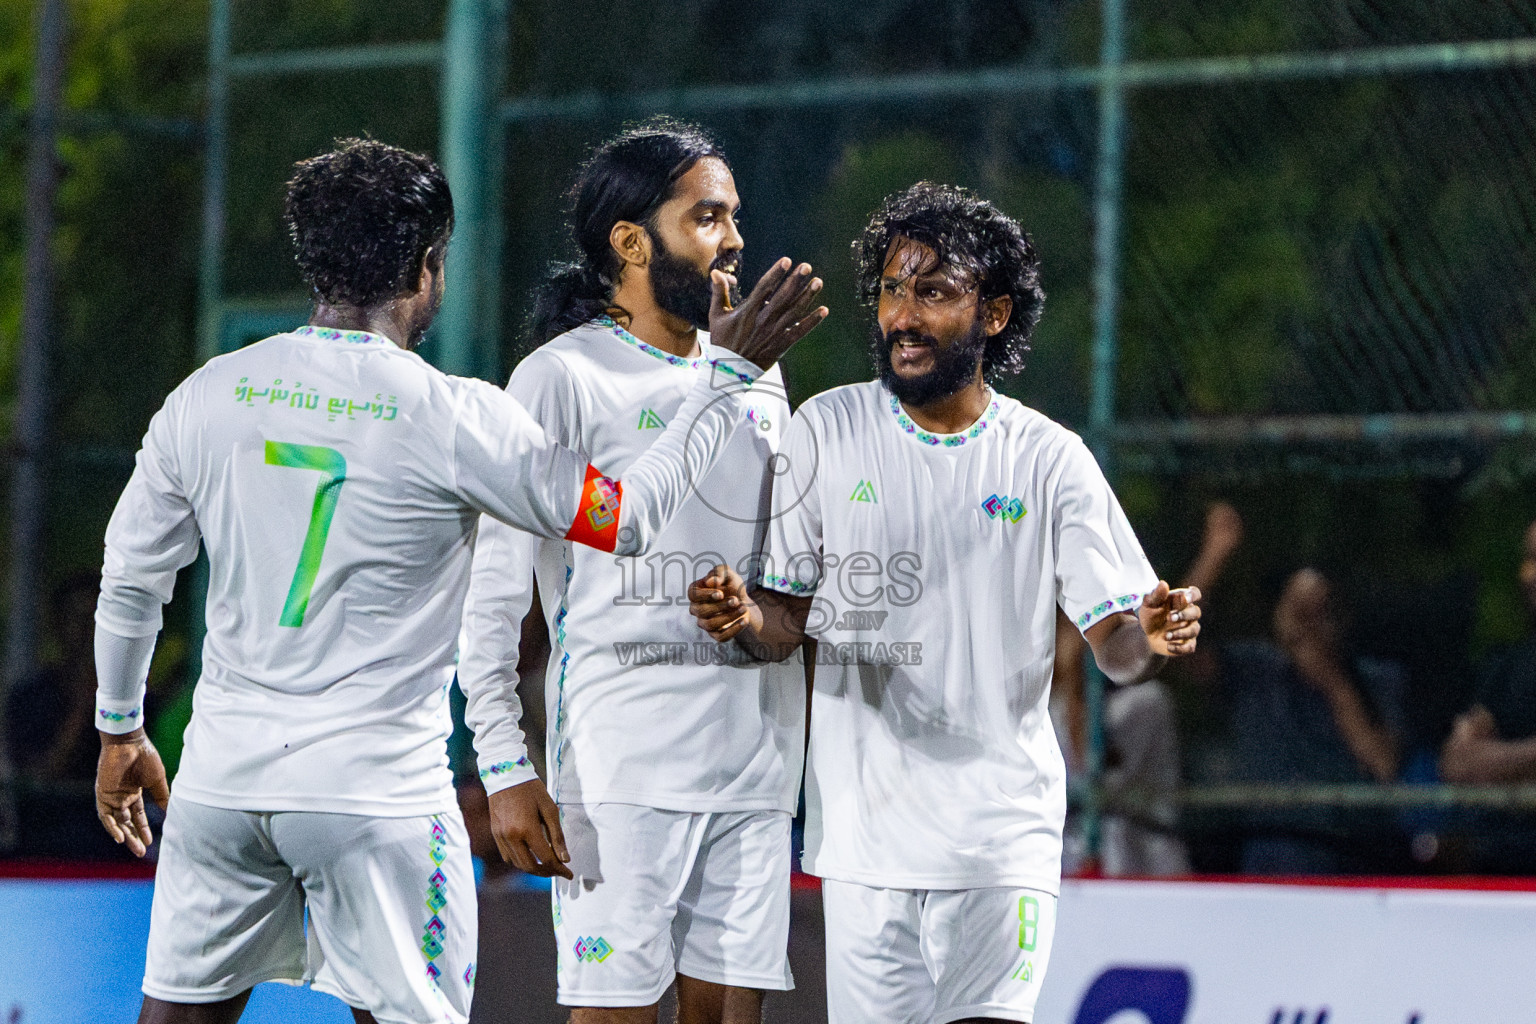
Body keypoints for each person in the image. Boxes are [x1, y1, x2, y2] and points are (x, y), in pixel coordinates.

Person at [91, 138, 825, 1024]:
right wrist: (724, 384)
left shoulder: (210, 393)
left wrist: (121, 728)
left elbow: (131, 577)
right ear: (429, 265)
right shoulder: (455, 415)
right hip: (378, 794)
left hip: (222, 785)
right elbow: (624, 519)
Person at [688, 182, 1201, 1024]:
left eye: (933, 291)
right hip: (865, 849)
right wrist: (742, 620)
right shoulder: (825, 429)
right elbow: (785, 622)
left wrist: (1149, 633)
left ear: (993, 315)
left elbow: (1116, 644)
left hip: (1000, 843)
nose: (903, 315)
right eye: (893, 288)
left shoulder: (1049, 458)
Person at [459, 120, 819, 1024]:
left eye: (735, 217)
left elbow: (780, 577)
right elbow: (495, 597)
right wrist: (503, 764)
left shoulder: (756, 380)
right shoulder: (560, 378)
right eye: (708, 217)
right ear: (631, 242)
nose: (734, 239)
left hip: (753, 769)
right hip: (620, 770)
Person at [1186, 503, 1405, 873]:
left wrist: (1334, 684)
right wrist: (1213, 557)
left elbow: (1385, 768)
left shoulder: (1376, 681)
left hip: (1351, 864)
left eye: (1318, 612)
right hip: (1268, 860)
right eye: (1296, 611)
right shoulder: (1253, 671)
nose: (1305, 625)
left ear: (1341, 618)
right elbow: (1173, 646)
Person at [1439, 518, 1536, 870]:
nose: (1528, 575)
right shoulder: (1508, 664)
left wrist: (1502, 762)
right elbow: (1458, 764)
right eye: (1528, 560)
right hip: (1501, 880)